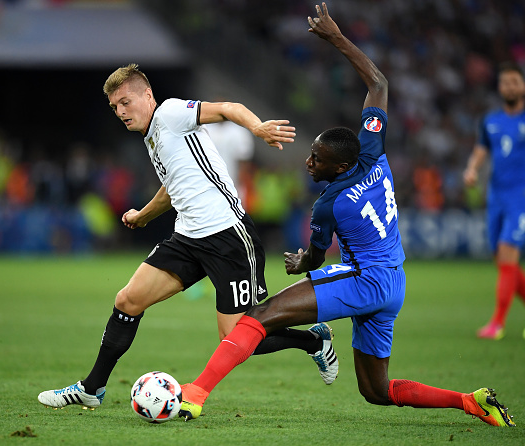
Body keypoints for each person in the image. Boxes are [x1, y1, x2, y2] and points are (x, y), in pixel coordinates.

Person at [178, 3, 515, 428]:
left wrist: (303, 263)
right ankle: (471, 401)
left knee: (258, 317)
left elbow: (317, 259)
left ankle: (195, 393)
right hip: (394, 281)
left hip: (363, 278)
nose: (309, 164)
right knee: (376, 391)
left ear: (338, 168)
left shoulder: (330, 204)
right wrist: (337, 38)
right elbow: (378, 82)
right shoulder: (372, 152)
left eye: (316, 159)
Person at [38, 63, 340, 409]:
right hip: (188, 237)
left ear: (147, 95)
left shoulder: (168, 113)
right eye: (114, 107)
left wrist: (257, 128)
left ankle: (313, 342)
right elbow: (172, 188)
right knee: (127, 301)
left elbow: (229, 108)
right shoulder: (152, 134)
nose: (121, 112)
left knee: (237, 337)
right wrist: (143, 215)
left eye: (125, 102)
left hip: (228, 236)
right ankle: (91, 389)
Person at [464, 62, 525, 340]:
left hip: (523, 195)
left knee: (507, 252)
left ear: (524, 87)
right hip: (496, 195)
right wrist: (472, 169)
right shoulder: (490, 121)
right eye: (505, 83)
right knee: (503, 260)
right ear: (500, 88)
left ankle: (497, 324)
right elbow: (481, 150)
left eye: (515, 82)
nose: (510, 87)